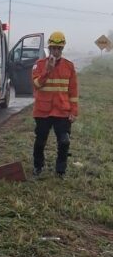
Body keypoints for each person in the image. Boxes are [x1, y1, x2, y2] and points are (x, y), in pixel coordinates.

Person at [32, 30, 78, 179]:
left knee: (64, 142)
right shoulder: (39, 65)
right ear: (49, 48)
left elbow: (73, 91)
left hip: (62, 111)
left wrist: (74, 111)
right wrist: (48, 70)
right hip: (42, 111)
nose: (56, 51)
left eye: (59, 49)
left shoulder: (69, 66)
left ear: (62, 49)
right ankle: (38, 166)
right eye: (53, 48)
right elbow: (37, 84)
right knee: (40, 142)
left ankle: (60, 170)